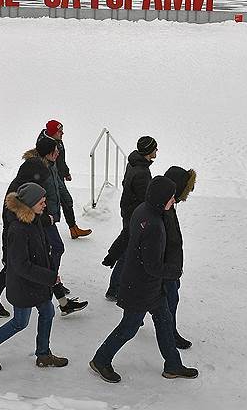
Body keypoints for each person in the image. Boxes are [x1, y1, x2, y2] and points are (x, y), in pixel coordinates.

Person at [90, 176, 198, 383]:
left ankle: (173, 365)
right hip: (140, 287)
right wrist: (174, 272)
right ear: (161, 198)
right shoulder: (155, 225)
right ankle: (101, 360)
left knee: (164, 322)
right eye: (171, 197)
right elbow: (152, 266)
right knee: (129, 327)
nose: (174, 201)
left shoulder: (143, 210)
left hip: (146, 285)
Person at [0, 136, 86, 319]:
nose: (58, 153)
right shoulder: (32, 178)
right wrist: (45, 218)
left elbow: (52, 192)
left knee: (51, 253)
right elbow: (19, 212)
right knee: (14, 264)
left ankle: (61, 299)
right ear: (48, 153)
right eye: (55, 151)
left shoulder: (44, 167)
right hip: (26, 225)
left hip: (41, 221)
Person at [0, 183, 69, 371]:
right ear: (30, 204)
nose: (45, 205)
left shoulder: (35, 220)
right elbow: (20, 265)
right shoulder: (18, 229)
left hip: (38, 284)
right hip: (23, 286)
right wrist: (48, 277)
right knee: (20, 322)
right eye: (42, 202)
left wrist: (51, 274)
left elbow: (43, 251)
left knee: (47, 312)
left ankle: (43, 355)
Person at [103, 135, 158, 301]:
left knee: (127, 247)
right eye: (155, 148)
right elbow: (144, 198)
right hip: (134, 215)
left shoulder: (134, 163)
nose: (157, 150)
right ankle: (114, 289)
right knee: (128, 251)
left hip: (128, 211)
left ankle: (115, 285)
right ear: (149, 151)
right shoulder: (141, 172)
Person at [38, 120, 91, 239]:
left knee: (67, 201)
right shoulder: (45, 143)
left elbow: (61, 160)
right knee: (52, 204)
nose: (62, 133)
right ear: (53, 132)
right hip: (50, 178)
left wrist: (66, 172)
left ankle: (73, 228)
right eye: (60, 131)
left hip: (58, 176)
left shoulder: (58, 141)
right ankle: (48, 233)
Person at [163, 165, 197, 350]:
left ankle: (169, 331)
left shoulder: (169, 205)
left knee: (168, 301)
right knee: (170, 302)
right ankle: (170, 334)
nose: (187, 195)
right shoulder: (163, 209)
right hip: (166, 269)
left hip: (171, 267)